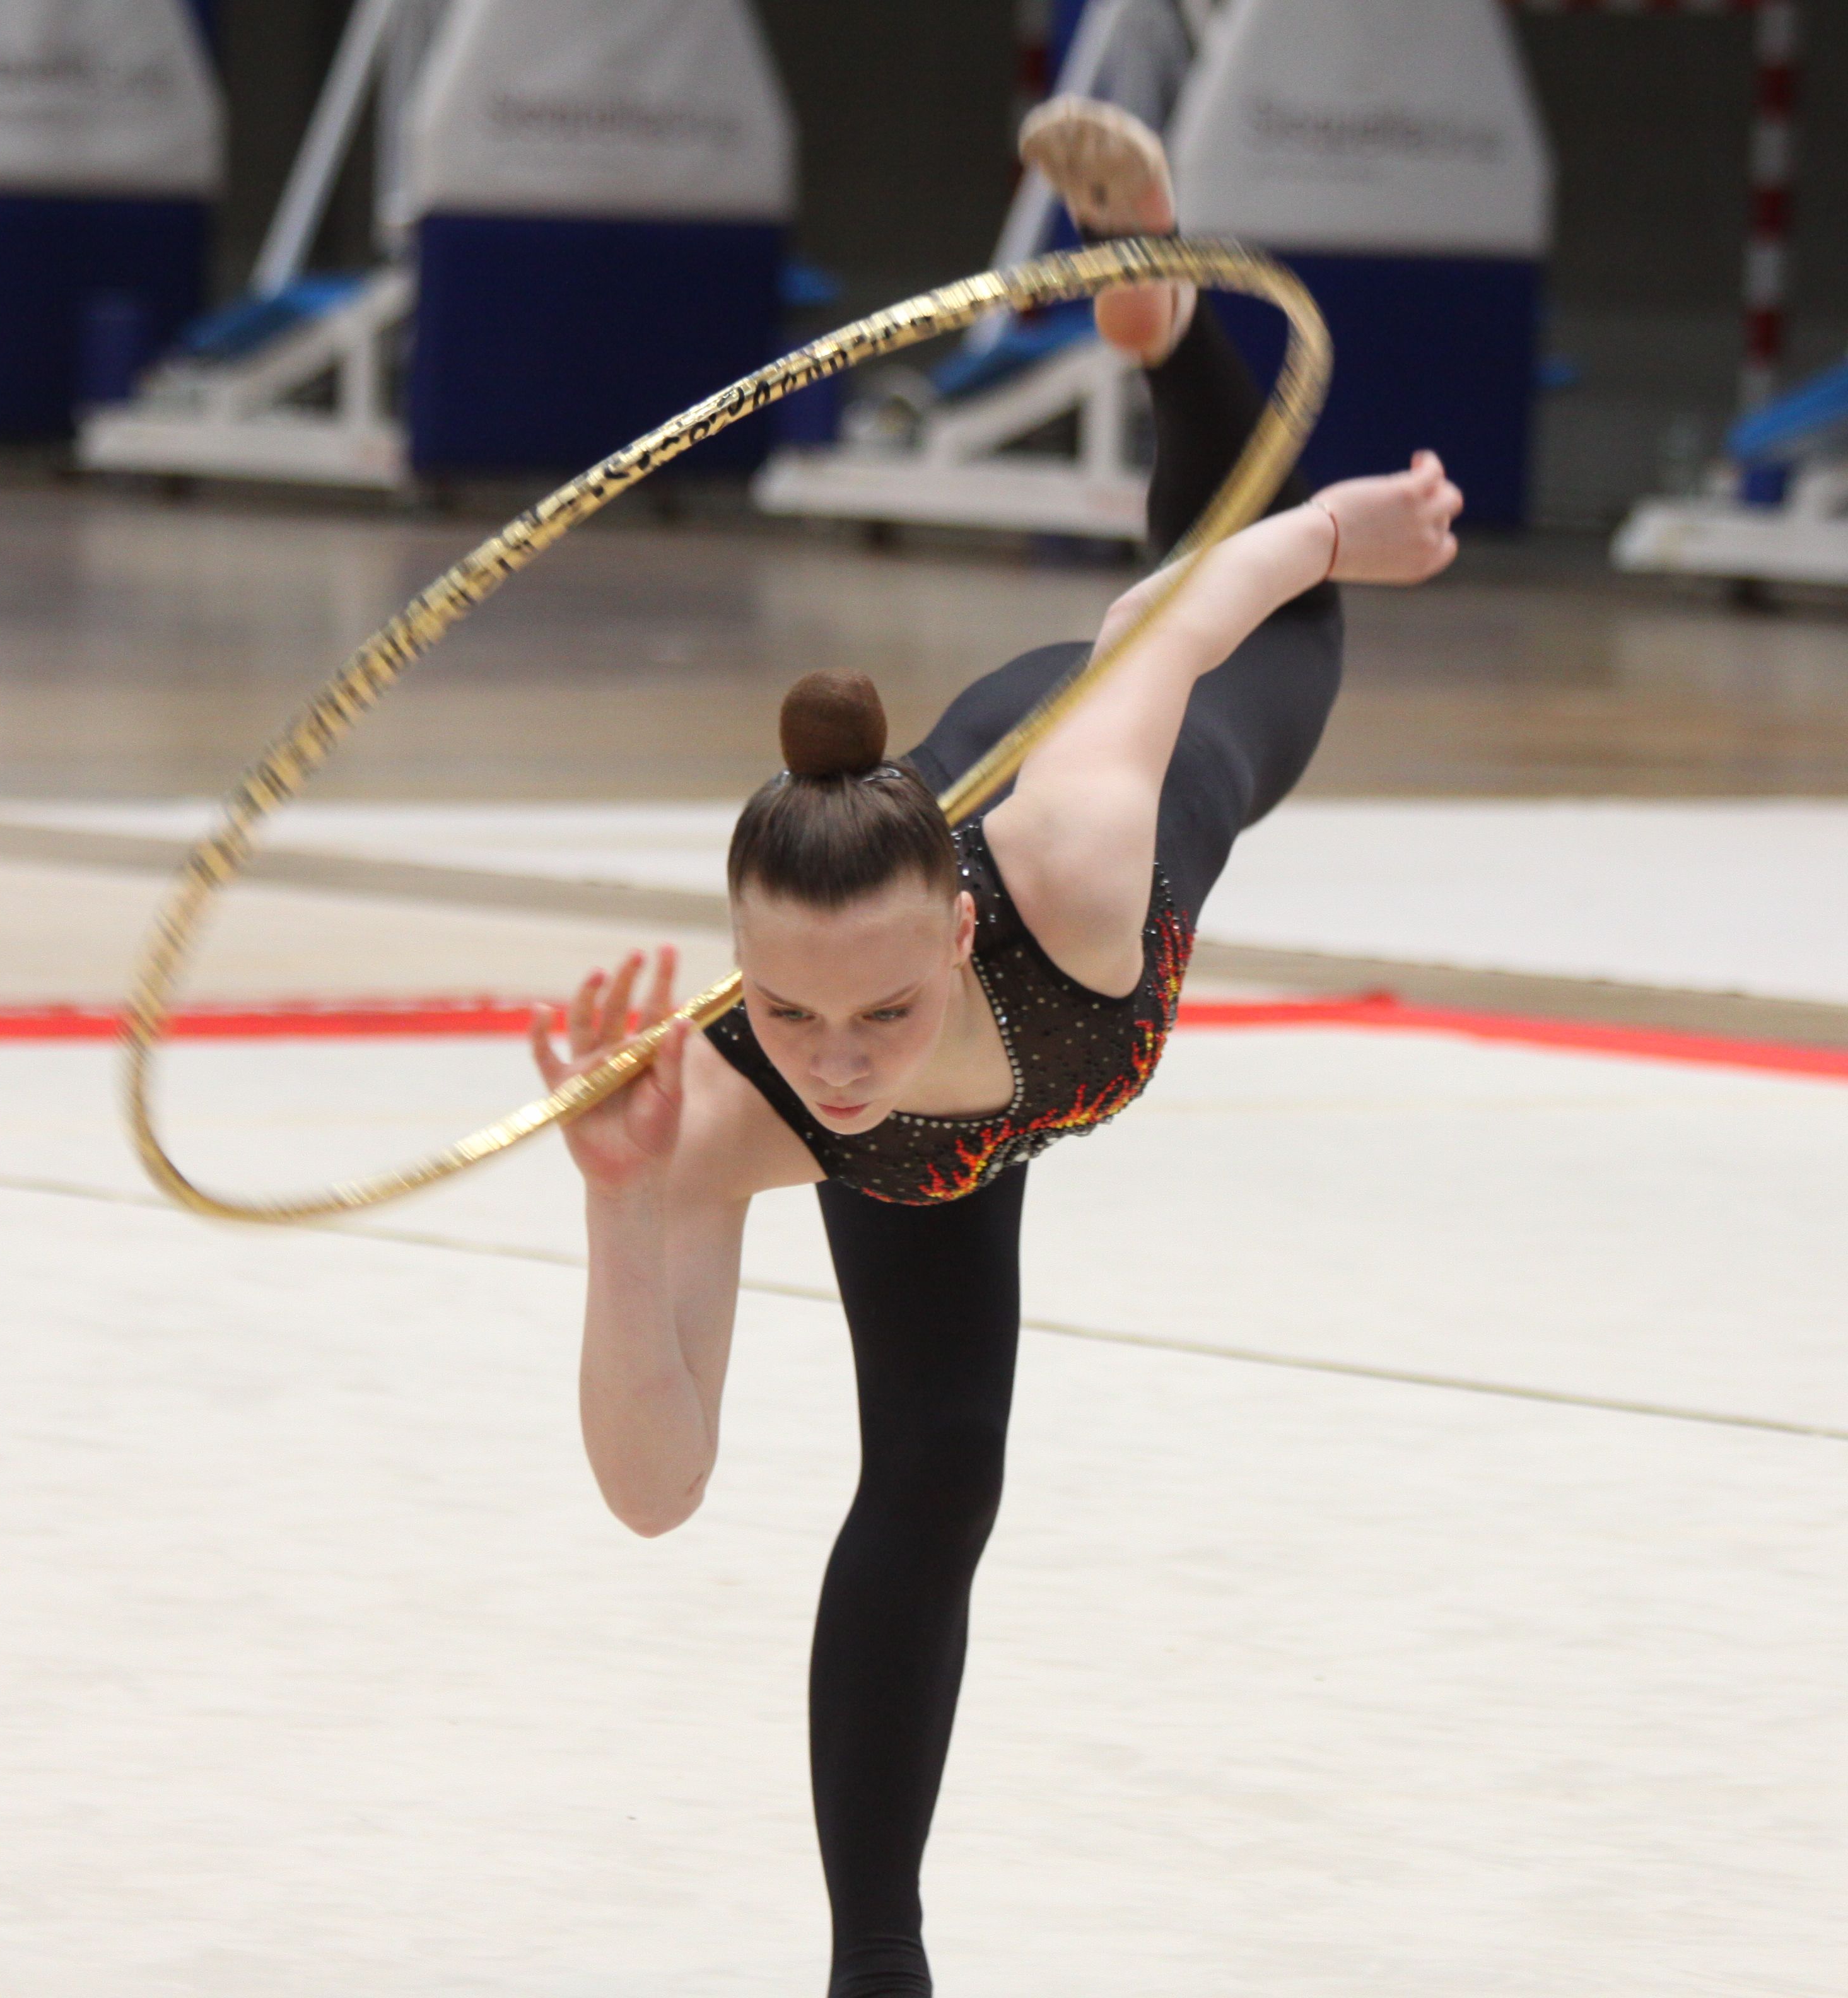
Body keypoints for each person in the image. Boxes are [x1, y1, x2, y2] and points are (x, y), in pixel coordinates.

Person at [529, 97, 1464, 1997]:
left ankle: (1167, 332)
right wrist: (624, 1212)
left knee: (1280, 627)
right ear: (740, 977)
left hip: (1129, 751)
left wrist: (1331, 529)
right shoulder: (744, 1096)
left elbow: (1171, 616)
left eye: (881, 1007)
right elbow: (654, 1491)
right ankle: (881, 1964)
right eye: (792, 1014)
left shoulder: (1070, 864)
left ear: (954, 930)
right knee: (941, 1471)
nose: (841, 1057)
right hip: (969, 1095)